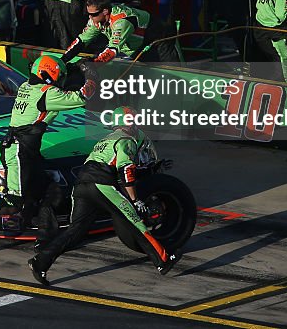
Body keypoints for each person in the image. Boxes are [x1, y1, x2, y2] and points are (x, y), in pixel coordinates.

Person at [0, 54, 94, 252]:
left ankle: (44, 238)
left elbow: (61, 93)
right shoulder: (46, 93)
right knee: (14, 201)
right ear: (50, 75)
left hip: (27, 150)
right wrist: (94, 80)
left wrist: (78, 69)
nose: (62, 80)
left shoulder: (28, 86)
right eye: (60, 76)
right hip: (18, 151)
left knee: (52, 191)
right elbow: (79, 98)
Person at [27, 112, 179, 283]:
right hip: (101, 184)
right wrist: (135, 200)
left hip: (81, 184)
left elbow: (114, 166)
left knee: (75, 232)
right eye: (135, 122)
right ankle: (163, 260)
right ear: (129, 124)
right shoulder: (126, 140)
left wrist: (153, 168)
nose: (137, 126)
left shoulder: (107, 139)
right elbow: (126, 171)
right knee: (134, 221)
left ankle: (40, 262)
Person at [63, 0, 159, 63]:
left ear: (105, 11)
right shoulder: (96, 19)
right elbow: (82, 41)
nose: (90, 18)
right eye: (89, 14)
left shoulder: (122, 21)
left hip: (156, 39)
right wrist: (63, 60)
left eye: (93, 14)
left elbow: (112, 50)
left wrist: (94, 63)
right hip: (131, 47)